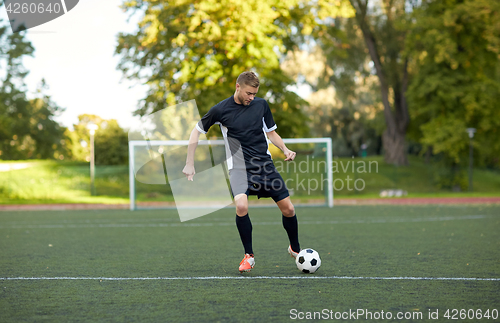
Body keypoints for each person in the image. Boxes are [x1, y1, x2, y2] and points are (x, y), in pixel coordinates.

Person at [182, 71, 301, 272]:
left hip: (265, 165)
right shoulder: (220, 110)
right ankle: (249, 256)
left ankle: (295, 249)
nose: (251, 98)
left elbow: (270, 132)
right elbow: (197, 131)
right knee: (241, 205)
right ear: (238, 86)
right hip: (239, 167)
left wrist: (285, 149)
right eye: (248, 93)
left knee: (289, 209)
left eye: (254, 94)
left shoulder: (261, 105)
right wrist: (189, 162)